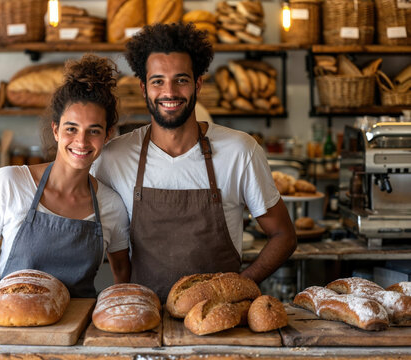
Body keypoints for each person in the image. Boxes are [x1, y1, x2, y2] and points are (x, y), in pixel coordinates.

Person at [92, 23, 296, 301]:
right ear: (144, 88)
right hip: (146, 318)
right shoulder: (114, 158)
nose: (170, 92)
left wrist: (241, 285)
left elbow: (283, 235)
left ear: (198, 83)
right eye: (158, 81)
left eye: (181, 80)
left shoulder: (240, 151)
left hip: (217, 321)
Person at [0, 54, 131, 303]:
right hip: (10, 328)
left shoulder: (111, 204)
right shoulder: (12, 182)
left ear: (107, 135)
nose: (81, 142)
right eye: (71, 129)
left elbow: (123, 273)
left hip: (78, 332)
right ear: (56, 131)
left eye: (93, 131)